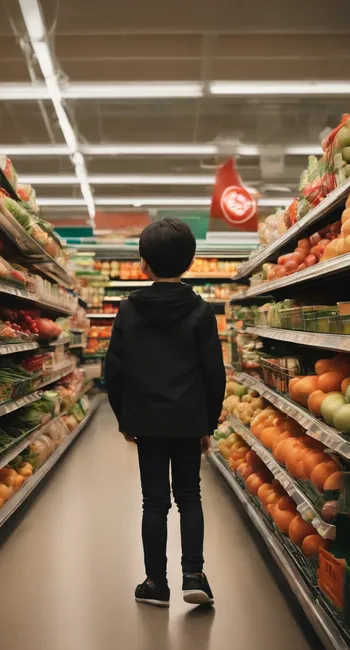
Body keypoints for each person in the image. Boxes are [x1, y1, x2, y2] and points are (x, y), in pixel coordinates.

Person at [105, 218, 226, 608]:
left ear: (144, 264)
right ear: (190, 263)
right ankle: (194, 574)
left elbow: (114, 371)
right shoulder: (201, 312)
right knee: (189, 496)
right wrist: (208, 422)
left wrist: (125, 418)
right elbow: (214, 374)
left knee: (153, 502)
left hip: (147, 420)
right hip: (189, 420)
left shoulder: (129, 311)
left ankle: (156, 583)